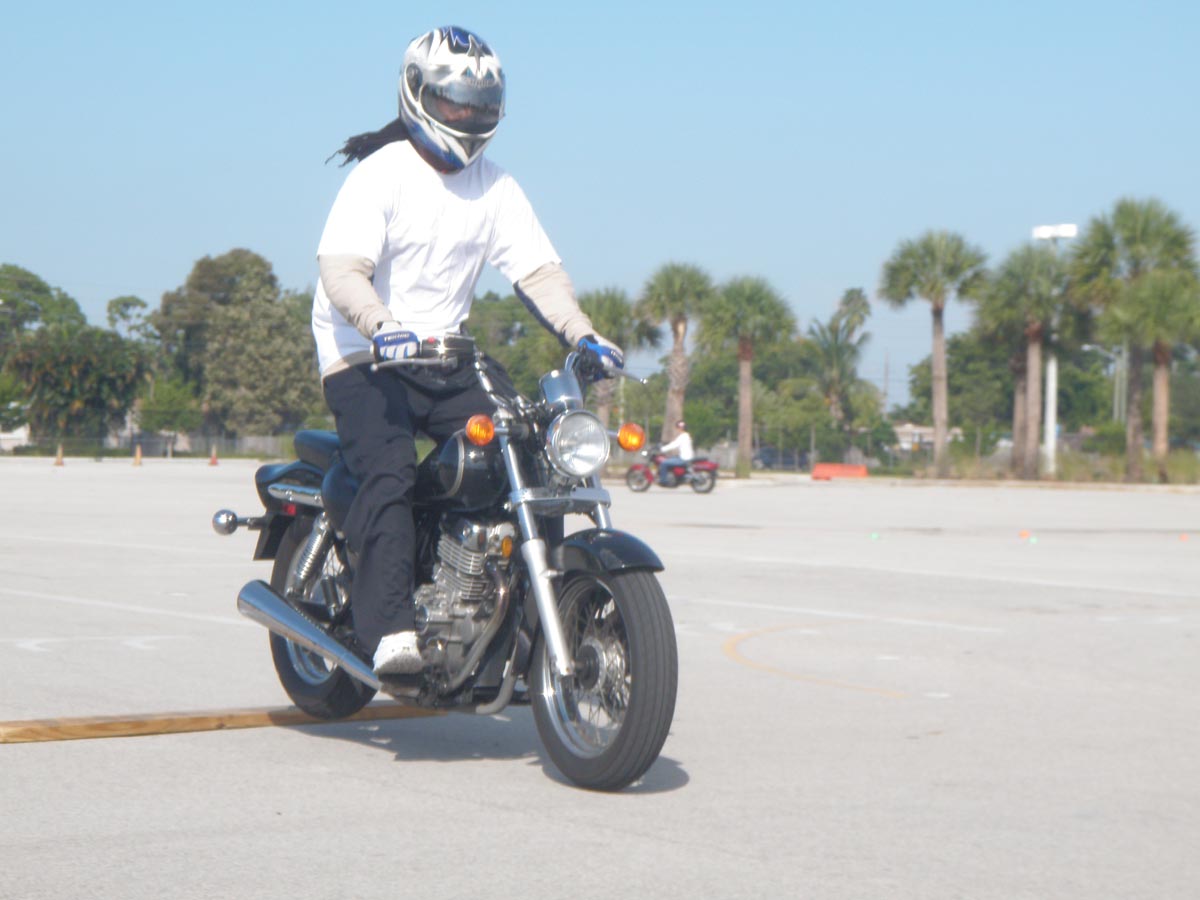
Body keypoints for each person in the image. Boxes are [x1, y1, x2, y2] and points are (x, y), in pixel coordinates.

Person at [311, 25, 623, 676]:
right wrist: (379, 323)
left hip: (444, 353)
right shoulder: (381, 175)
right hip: (365, 353)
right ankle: (391, 630)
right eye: (454, 102)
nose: (468, 116)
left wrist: (584, 334)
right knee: (391, 468)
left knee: (534, 452)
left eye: (481, 105)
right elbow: (342, 273)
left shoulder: (496, 186)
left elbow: (538, 274)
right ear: (417, 93)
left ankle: (534, 614)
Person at [658, 420, 694, 485]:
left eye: (679, 427)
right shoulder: (686, 435)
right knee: (671, 458)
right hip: (684, 457)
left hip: (684, 459)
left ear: (680, 428)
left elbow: (674, 445)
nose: (678, 429)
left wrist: (662, 449)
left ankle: (663, 481)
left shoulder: (683, 436)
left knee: (664, 463)